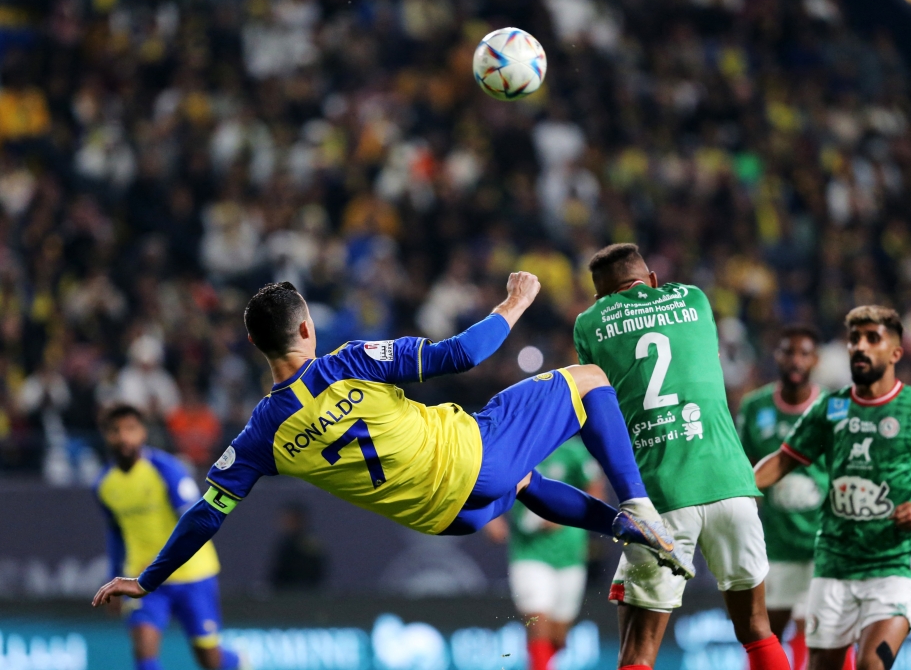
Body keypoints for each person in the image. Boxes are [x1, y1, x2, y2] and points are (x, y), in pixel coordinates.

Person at [93, 272, 693, 607]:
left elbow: (206, 515)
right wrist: (515, 303)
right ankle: (638, 511)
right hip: (473, 459)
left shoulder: (258, 437)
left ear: (256, 346)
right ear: (307, 327)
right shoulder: (347, 361)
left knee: (527, 478)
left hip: (450, 519)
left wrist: (147, 578)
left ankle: (619, 529)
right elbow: (462, 352)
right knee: (587, 380)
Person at [573, 244, 789, 670]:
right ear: (651, 279)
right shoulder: (694, 299)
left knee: (638, 653)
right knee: (757, 630)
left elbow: (599, 396)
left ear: (601, 297)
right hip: (731, 485)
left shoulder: (590, 323)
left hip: (660, 497)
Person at [755, 305, 911, 670]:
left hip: (896, 564)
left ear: (895, 353)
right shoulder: (831, 407)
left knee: (870, 666)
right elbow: (783, 460)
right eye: (854, 339)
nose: (860, 346)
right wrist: (737, 490)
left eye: (872, 338)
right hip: (834, 564)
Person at [93, 404, 245, 670]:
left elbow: (195, 521)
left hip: (193, 575)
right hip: (141, 579)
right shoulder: (104, 484)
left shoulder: (167, 470)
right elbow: (116, 534)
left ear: (143, 433)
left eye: (131, 429)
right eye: (115, 431)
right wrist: (114, 578)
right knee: (144, 649)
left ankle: (238, 663)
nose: (124, 437)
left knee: (210, 660)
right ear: (106, 436)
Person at [738, 326, 831, 670]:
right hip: (773, 542)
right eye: (788, 352)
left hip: (822, 541)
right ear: (776, 356)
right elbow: (742, 467)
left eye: (804, 353)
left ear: (815, 359)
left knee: (816, 628)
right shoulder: (755, 406)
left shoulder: (831, 408)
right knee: (767, 631)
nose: (795, 360)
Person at [485, 436, 604, 670]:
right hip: (529, 553)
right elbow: (488, 483)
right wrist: (491, 519)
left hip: (570, 554)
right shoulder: (517, 448)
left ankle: (548, 662)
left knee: (558, 634)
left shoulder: (575, 452)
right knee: (538, 620)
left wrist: (569, 513)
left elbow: (596, 489)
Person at [269, 502, 327, 590]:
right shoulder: (285, 544)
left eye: (291, 520)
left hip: (303, 594)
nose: (286, 523)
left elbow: (314, 573)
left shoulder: (310, 544)